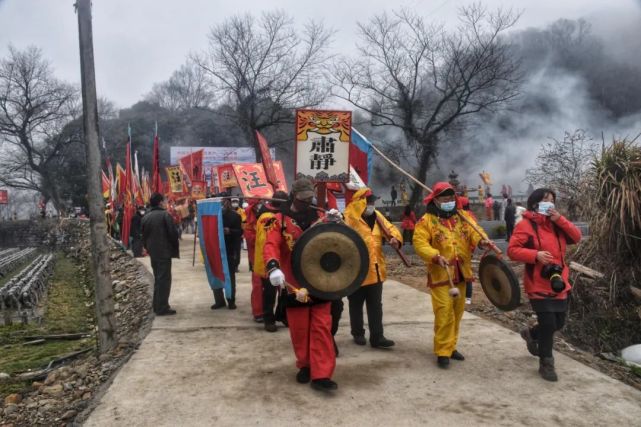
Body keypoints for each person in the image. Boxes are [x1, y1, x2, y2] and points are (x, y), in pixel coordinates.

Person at [263, 178, 338, 392]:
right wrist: (273, 266)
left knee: (322, 327)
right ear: (294, 196)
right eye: (303, 198)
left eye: (309, 198)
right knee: (300, 329)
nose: (307, 201)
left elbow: (336, 242)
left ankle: (322, 373)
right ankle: (305, 365)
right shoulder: (280, 220)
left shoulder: (322, 217)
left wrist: (339, 223)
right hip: (294, 284)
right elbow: (271, 244)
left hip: (321, 281)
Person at [507, 188, 581, 382]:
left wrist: (559, 219)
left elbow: (576, 237)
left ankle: (531, 333)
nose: (550, 203)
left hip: (559, 281)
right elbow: (513, 251)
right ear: (535, 204)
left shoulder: (557, 225)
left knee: (558, 323)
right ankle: (546, 363)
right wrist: (535, 256)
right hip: (538, 282)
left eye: (552, 200)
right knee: (548, 324)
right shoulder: (525, 225)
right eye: (546, 200)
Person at [413, 182, 490, 368]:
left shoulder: (463, 217)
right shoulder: (426, 221)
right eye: (444, 197)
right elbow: (420, 243)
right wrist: (434, 255)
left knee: (457, 312)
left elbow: (475, 232)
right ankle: (442, 350)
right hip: (441, 274)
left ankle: (451, 346)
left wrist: (482, 241)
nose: (448, 200)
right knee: (444, 312)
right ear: (435, 199)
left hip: (462, 273)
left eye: (450, 197)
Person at [343, 188, 402, 348]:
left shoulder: (377, 217)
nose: (372, 205)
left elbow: (391, 229)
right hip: (355, 271)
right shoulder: (347, 218)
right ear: (360, 202)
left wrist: (395, 238)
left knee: (375, 305)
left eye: (373, 202)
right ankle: (358, 333)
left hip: (376, 269)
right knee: (356, 303)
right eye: (369, 202)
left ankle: (377, 337)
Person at [252, 192, 288, 331]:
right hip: (270, 259)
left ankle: (284, 315)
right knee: (269, 292)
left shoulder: (285, 215)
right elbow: (264, 241)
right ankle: (269, 319)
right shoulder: (267, 217)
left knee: (286, 291)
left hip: (284, 259)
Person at [142, 193, 180, 316]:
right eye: (164, 201)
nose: (166, 203)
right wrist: (173, 246)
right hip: (164, 252)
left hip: (153, 252)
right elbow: (173, 234)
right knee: (164, 280)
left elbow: (144, 236)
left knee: (158, 278)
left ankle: (157, 305)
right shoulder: (165, 215)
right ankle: (162, 307)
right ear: (160, 203)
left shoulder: (146, 217)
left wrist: (149, 248)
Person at [211, 198, 243, 310]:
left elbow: (240, 232)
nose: (225, 204)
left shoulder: (236, 216)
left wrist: (230, 231)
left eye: (226, 201)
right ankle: (219, 300)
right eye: (222, 202)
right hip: (216, 249)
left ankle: (231, 300)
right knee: (216, 274)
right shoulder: (213, 216)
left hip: (230, 249)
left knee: (230, 276)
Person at [244, 198, 264, 321]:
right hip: (256, 259)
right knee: (257, 286)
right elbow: (250, 239)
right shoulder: (250, 223)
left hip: (269, 257)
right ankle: (258, 312)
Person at [232, 197, 245, 273]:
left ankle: (236, 265)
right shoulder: (228, 210)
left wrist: (243, 233)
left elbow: (244, 223)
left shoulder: (242, 211)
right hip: (229, 234)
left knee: (237, 251)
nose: (234, 203)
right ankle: (231, 265)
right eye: (233, 201)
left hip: (238, 234)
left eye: (235, 201)